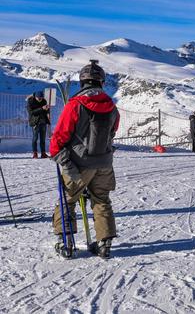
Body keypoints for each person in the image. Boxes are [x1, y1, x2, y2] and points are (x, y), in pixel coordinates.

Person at [50, 60, 120, 258]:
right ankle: (104, 243)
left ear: (82, 82)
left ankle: (66, 242)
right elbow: (112, 133)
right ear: (101, 82)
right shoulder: (111, 107)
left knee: (67, 200)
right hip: (104, 163)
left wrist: (59, 155)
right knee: (102, 200)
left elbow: (60, 136)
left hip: (79, 164)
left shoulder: (75, 105)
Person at [26, 90, 51, 158]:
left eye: (41, 98)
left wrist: (47, 109)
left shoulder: (44, 101)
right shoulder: (30, 102)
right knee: (35, 138)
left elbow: (45, 111)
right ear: (35, 97)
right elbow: (31, 112)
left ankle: (43, 153)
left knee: (43, 139)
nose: (40, 99)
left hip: (43, 122)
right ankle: (35, 153)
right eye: (39, 98)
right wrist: (42, 108)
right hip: (35, 122)